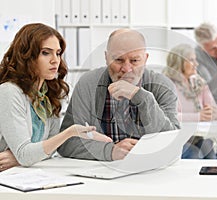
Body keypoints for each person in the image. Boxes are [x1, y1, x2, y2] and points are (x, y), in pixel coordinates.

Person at [0, 23, 112, 171]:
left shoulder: (49, 93)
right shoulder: (9, 91)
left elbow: (50, 149)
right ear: (27, 55)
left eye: (58, 53)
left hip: (28, 173)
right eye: (46, 53)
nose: (55, 60)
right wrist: (70, 132)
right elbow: (28, 153)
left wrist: (19, 158)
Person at [58, 28, 180, 161]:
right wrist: (110, 151)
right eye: (119, 60)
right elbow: (67, 143)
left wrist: (141, 97)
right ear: (106, 57)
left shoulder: (162, 86)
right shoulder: (88, 84)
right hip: (103, 171)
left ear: (145, 59)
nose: (127, 69)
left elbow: (173, 147)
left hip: (150, 170)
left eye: (134, 61)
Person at [163, 43, 217, 159]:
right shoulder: (166, 83)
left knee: (210, 153)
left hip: (198, 136)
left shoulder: (198, 83)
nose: (196, 64)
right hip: (177, 139)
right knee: (194, 154)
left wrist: (210, 113)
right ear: (180, 62)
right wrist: (198, 116)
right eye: (191, 60)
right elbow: (168, 117)